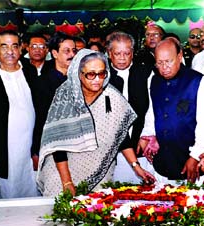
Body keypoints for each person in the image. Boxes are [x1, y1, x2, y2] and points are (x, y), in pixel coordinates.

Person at [36, 49, 155, 196]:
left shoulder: (111, 96)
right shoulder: (66, 96)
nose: (97, 79)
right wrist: (67, 182)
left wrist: (137, 167)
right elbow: (58, 145)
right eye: (91, 74)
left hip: (101, 170)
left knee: (95, 212)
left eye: (101, 73)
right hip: (63, 170)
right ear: (79, 74)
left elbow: (121, 134)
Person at [139, 38, 204, 184]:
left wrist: (194, 156)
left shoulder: (197, 81)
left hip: (191, 161)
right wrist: (148, 134)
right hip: (162, 161)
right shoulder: (154, 80)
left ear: (180, 57)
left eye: (169, 61)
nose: (164, 68)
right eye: (159, 63)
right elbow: (151, 114)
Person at [0, 30, 40, 199]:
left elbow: (40, 111)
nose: (9, 51)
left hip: (29, 147)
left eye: (14, 46)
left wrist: (37, 149)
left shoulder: (30, 72)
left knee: (32, 188)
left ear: (21, 49)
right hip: (3, 150)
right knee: (7, 192)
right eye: (4, 46)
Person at [105, 31, 155, 183]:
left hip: (140, 143)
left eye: (126, 53)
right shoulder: (102, 75)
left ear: (132, 53)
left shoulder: (146, 72)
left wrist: (147, 134)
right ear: (109, 53)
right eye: (117, 53)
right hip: (110, 147)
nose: (122, 58)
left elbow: (152, 108)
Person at [32, 31, 77, 165]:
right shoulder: (42, 83)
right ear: (55, 53)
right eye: (66, 51)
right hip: (52, 146)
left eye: (74, 50)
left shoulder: (80, 79)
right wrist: (36, 150)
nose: (72, 55)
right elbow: (40, 118)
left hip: (77, 145)